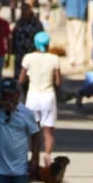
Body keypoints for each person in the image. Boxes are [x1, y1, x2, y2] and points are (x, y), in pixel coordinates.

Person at [17, 31, 61, 164]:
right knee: (48, 131)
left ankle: (34, 157)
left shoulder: (28, 58)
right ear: (48, 44)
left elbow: (21, 79)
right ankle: (47, 155)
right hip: (48, 96)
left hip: (33, 97)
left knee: (33, 131)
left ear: (35, 44)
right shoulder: (54, 59)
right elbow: (58, 82)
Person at [9, 2, 44, 79]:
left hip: (32, 52)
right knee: (19, 76)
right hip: (20, 54)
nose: (24, 11)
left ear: (30, 10)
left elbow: (41, 36)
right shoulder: (19, 22)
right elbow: (14, 36)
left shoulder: (36, 22)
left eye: (25, 9)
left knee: (32, 75)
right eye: (22, 10)